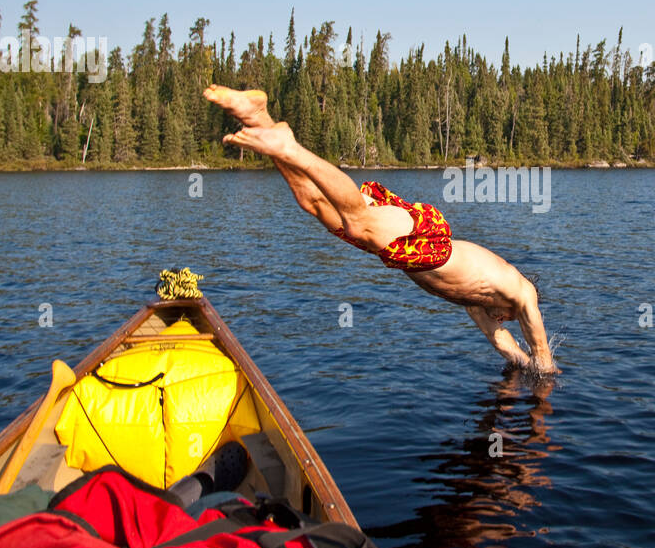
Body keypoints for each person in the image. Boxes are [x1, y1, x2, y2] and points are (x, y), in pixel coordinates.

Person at [204, 85, 559, 374]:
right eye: (508, 319)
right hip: (430, 241)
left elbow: (505, 346)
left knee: (315, 205)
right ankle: (289, 147)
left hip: (414, 252)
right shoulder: (521, 292)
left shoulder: (479, 304)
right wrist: (547, 384)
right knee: (357, 223)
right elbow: (540, 351)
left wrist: (522, 365)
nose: (502, 322)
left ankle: (258, 117)